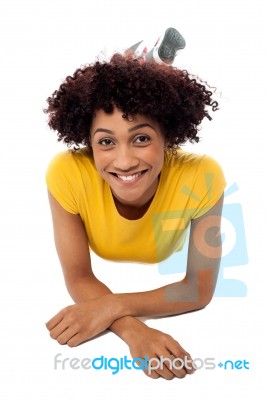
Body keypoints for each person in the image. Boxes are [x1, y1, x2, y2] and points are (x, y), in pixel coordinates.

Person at [44, 34, 226, 380]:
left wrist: (112, 306)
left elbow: (198, 288)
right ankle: (136, 57)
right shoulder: (67, 173)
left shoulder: (202, 176)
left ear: (168, 137)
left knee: (132, 75)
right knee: (119, 71)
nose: (124, 161)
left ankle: (143, 58)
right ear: (88, 142)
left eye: (141, 138)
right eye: (106, 142)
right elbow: (79, 275)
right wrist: (134, 331)